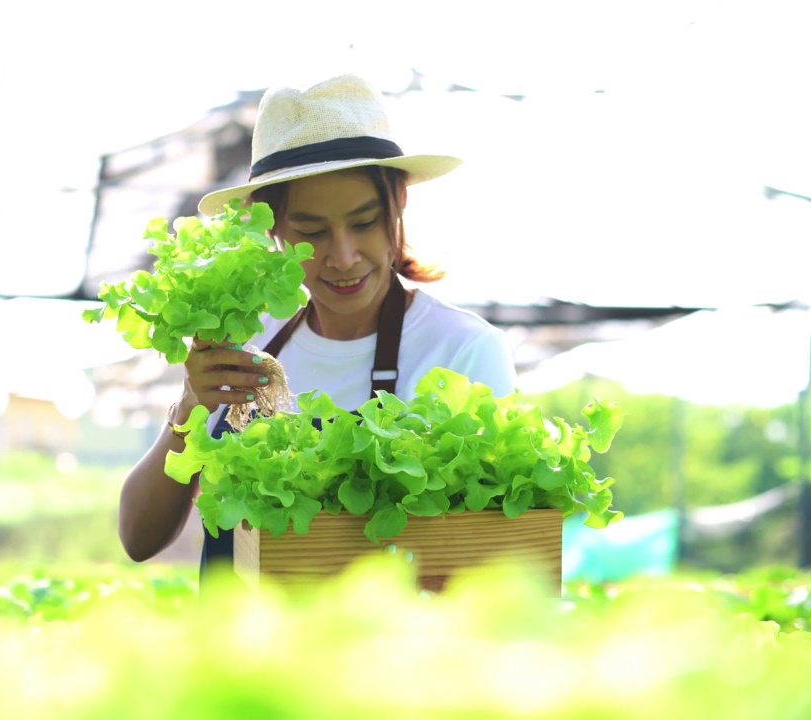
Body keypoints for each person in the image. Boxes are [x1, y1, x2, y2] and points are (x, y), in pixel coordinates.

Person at [116, 73, 517, 576]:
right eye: (312, 232)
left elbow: (495, 566)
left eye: (364, 222)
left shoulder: (462, 351)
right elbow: (138, 537)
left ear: (399, 206)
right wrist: (191, 406)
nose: (343, 257)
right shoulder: (248, 343)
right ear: (273, 226)